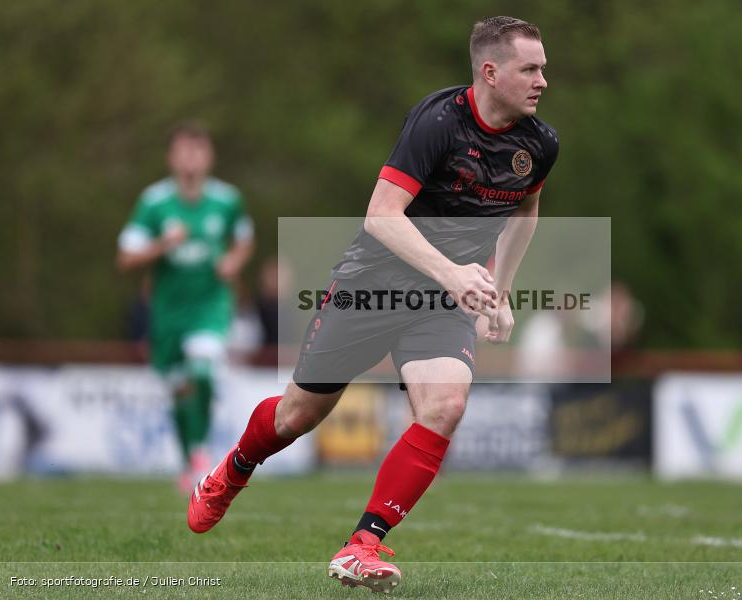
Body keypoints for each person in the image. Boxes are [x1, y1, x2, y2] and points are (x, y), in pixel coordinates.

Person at [187, 16, 557, 594]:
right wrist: (452, 273)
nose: (541, 81)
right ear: (490, 71)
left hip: (442, 300)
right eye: (529, 69)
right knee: (296, 418)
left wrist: (498, 292)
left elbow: (526, 209)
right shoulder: (438, 122)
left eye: (543, 69)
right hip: (372, 286)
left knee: (446, 406)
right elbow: (380, 216)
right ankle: (232, 470)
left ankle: (364, 543)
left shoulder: (539, 142)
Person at [117, 122, 254, 492]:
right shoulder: (154, 202)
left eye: (198, 151)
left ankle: (200, 455)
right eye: (184, 151)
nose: (191, 159)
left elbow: (244, 239)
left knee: (203, 368)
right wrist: (163, 244)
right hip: (167, 311)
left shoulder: (227, 199)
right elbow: (126, 257)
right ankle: (189, 458)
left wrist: (234, 262)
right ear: (172, 158)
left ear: (209, 157)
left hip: (210, 304)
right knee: (178, 387)